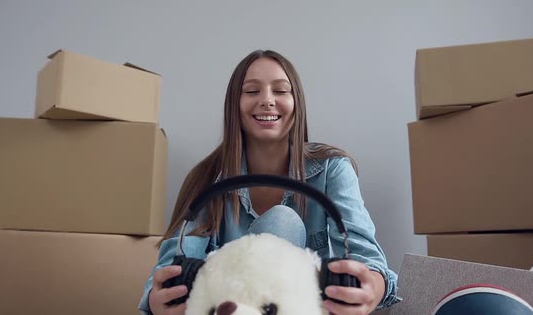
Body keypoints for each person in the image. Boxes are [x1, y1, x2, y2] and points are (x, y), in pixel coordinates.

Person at [138, 50, 400, 315]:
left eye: (281, 91)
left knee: (281, 220)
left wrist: (373, 286)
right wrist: (157, 300)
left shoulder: (333, 169)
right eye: (252, 92)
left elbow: (368, 260)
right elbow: (172, 268)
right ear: (234, 105)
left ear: (296, 102)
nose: (267, 101)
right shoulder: (206, 178)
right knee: (281, 220)